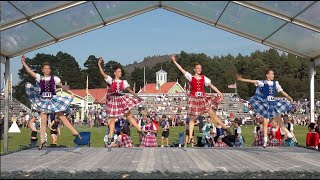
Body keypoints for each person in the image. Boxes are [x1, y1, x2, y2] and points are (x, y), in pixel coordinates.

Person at [21, 55, 81, 150]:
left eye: (49, 68)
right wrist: (23, 62)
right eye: (45, 68)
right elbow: (29, 71)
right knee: (43, 121)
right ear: (42, 70)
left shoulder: (55, 78)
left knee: (62, 117)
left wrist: (70, 92)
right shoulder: (39, 77)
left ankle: (75, 132)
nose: (47, 70)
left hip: (53, 100)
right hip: (44, 101)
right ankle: (42, 140)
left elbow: (61, 86)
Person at [171, 54, 229, 145]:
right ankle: (190, 137)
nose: (199, 69)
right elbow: (181, 70)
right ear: (194, 69)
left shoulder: (204, 78)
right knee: (192, 119)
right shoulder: (191, 77)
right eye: (198, 68)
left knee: (212, 114)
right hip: (194, 99)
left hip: (202, 99)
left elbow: (211, 85)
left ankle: (225, 127)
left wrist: (220, 92)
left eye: (200, 68)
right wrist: (174, 61)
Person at [236, 68, 294, 148]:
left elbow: (282, 91)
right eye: (272, 74)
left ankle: (287, 132)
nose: (273, 75)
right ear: (267, 75)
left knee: (278, 118)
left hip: (273, 103)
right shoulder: (263, 82)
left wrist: (289, 97)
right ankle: (265, 140)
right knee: (265, 122)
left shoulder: (275, 83)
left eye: (273, 74)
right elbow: (253, 81)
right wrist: (241, 79)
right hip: (266, 103)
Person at [98, 57, 144, 145]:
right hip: (113, 100)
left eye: (120, 71)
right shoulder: (111, 80)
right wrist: (99, 65)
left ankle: (139, 129)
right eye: (118, 72)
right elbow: (103, 73)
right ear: (115, 73)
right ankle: (111, 136)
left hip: (120, 99)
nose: (120, 73)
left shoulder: (124, 82)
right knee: (112, 119)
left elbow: (129, 90)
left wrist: (137, 96)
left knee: (129, 116)